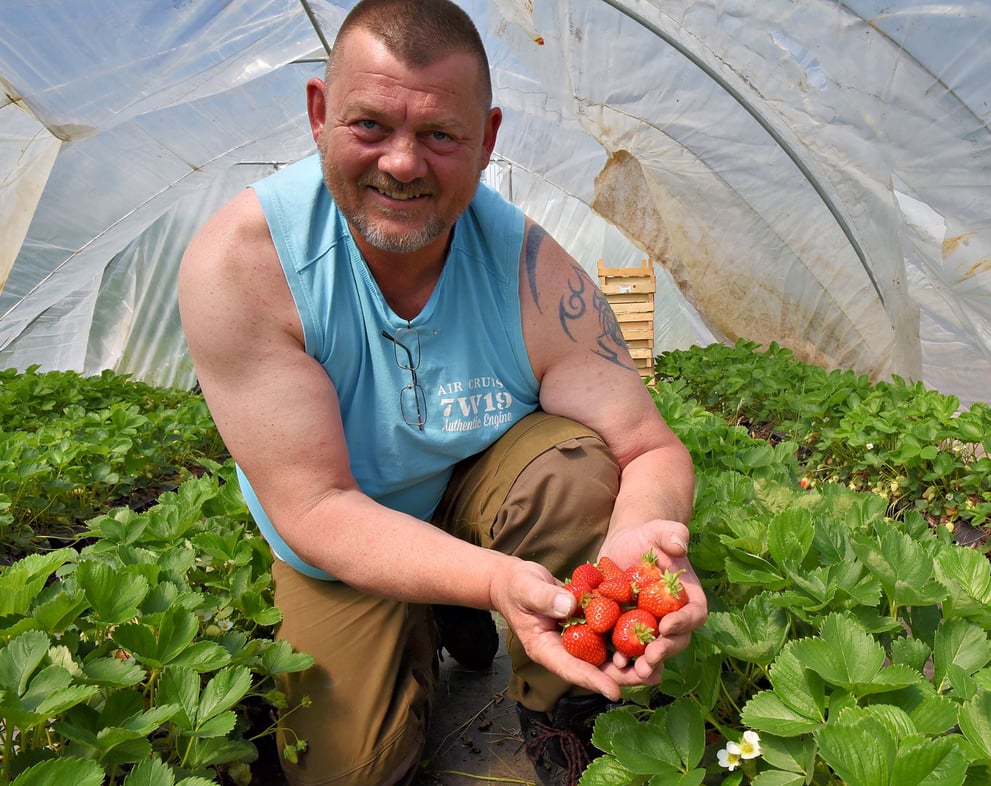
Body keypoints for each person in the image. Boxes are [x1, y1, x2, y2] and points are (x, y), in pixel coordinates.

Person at [177, 0, 707, 784]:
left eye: (439, 135)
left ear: (486, 140)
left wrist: (640, 542)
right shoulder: (246, 267)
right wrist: (490, 579)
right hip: (342, 525)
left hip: (466, 480)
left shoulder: (530, 271)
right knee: (352, 769)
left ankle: (557, 702)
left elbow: (650, 447)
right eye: (369, 127)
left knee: (582, 475)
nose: (401, 163)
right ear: (320, 114)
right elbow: (317, 505)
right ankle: (439, 611)